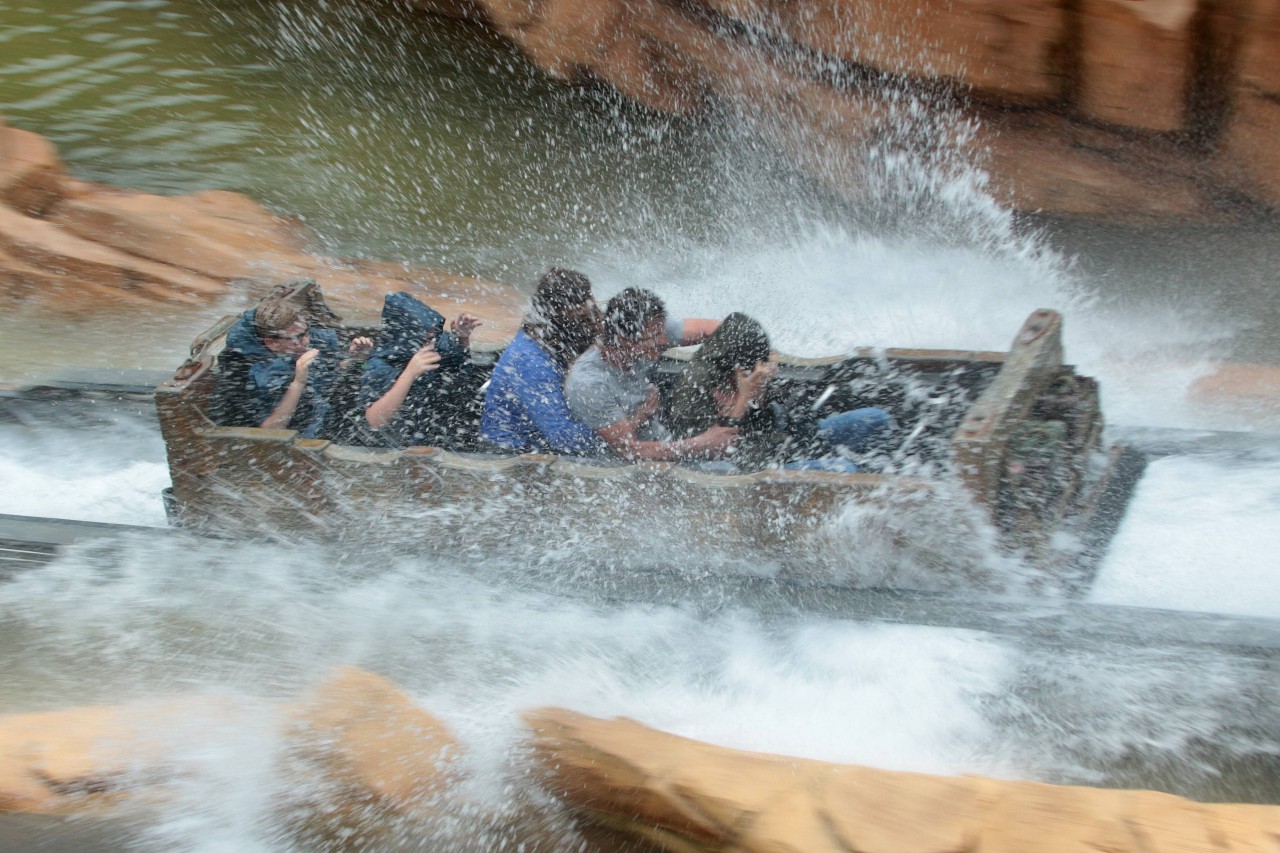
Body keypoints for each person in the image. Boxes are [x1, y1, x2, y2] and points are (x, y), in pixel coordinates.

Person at [666, 312, 895, 472]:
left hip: (782, 444)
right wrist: (744, 398)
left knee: (875, 419)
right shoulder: (695, 387)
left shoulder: (747, 372)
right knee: (844, 469)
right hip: (755, 469)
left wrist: (763, 391)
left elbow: (779, 419)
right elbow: (718, 450)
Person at [564, 287, 737, 461]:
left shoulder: (651, 329)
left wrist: (733, 376)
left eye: (661, 331)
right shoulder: (588, 383)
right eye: (654, 336)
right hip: (619, 468)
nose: (664, 340)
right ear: (623, 340)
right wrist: (703, 443)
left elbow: (724, 329)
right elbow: (629, 451)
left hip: (666, 442)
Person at [479, 267, 607, 455]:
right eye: (582, 315)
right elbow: (565, 440)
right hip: (510, 455)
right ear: (559, 314)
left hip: (545, 443)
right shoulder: (532, 362)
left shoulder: (548, 334)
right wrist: (621, 426)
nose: (590, 316)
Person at [231, 295, 372, 438]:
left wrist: (354, 359)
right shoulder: (260, 374)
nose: (306, 341)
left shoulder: (298, 350)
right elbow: (268, 432)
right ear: (272, 343)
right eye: (297, 338)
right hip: (304, 440)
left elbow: (326, 382)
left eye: (306, 333)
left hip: (331, 419)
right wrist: (298, 382)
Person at [358, 291, 481, 447]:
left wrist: (462, 339)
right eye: (426, 339)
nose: (431, 344)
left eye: (434, 336)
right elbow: (374, 421)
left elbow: (460, 370)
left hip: (432, 433)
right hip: (395, 445)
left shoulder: (434, 345)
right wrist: (409, 374)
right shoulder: (379, 364)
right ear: (407, 337)